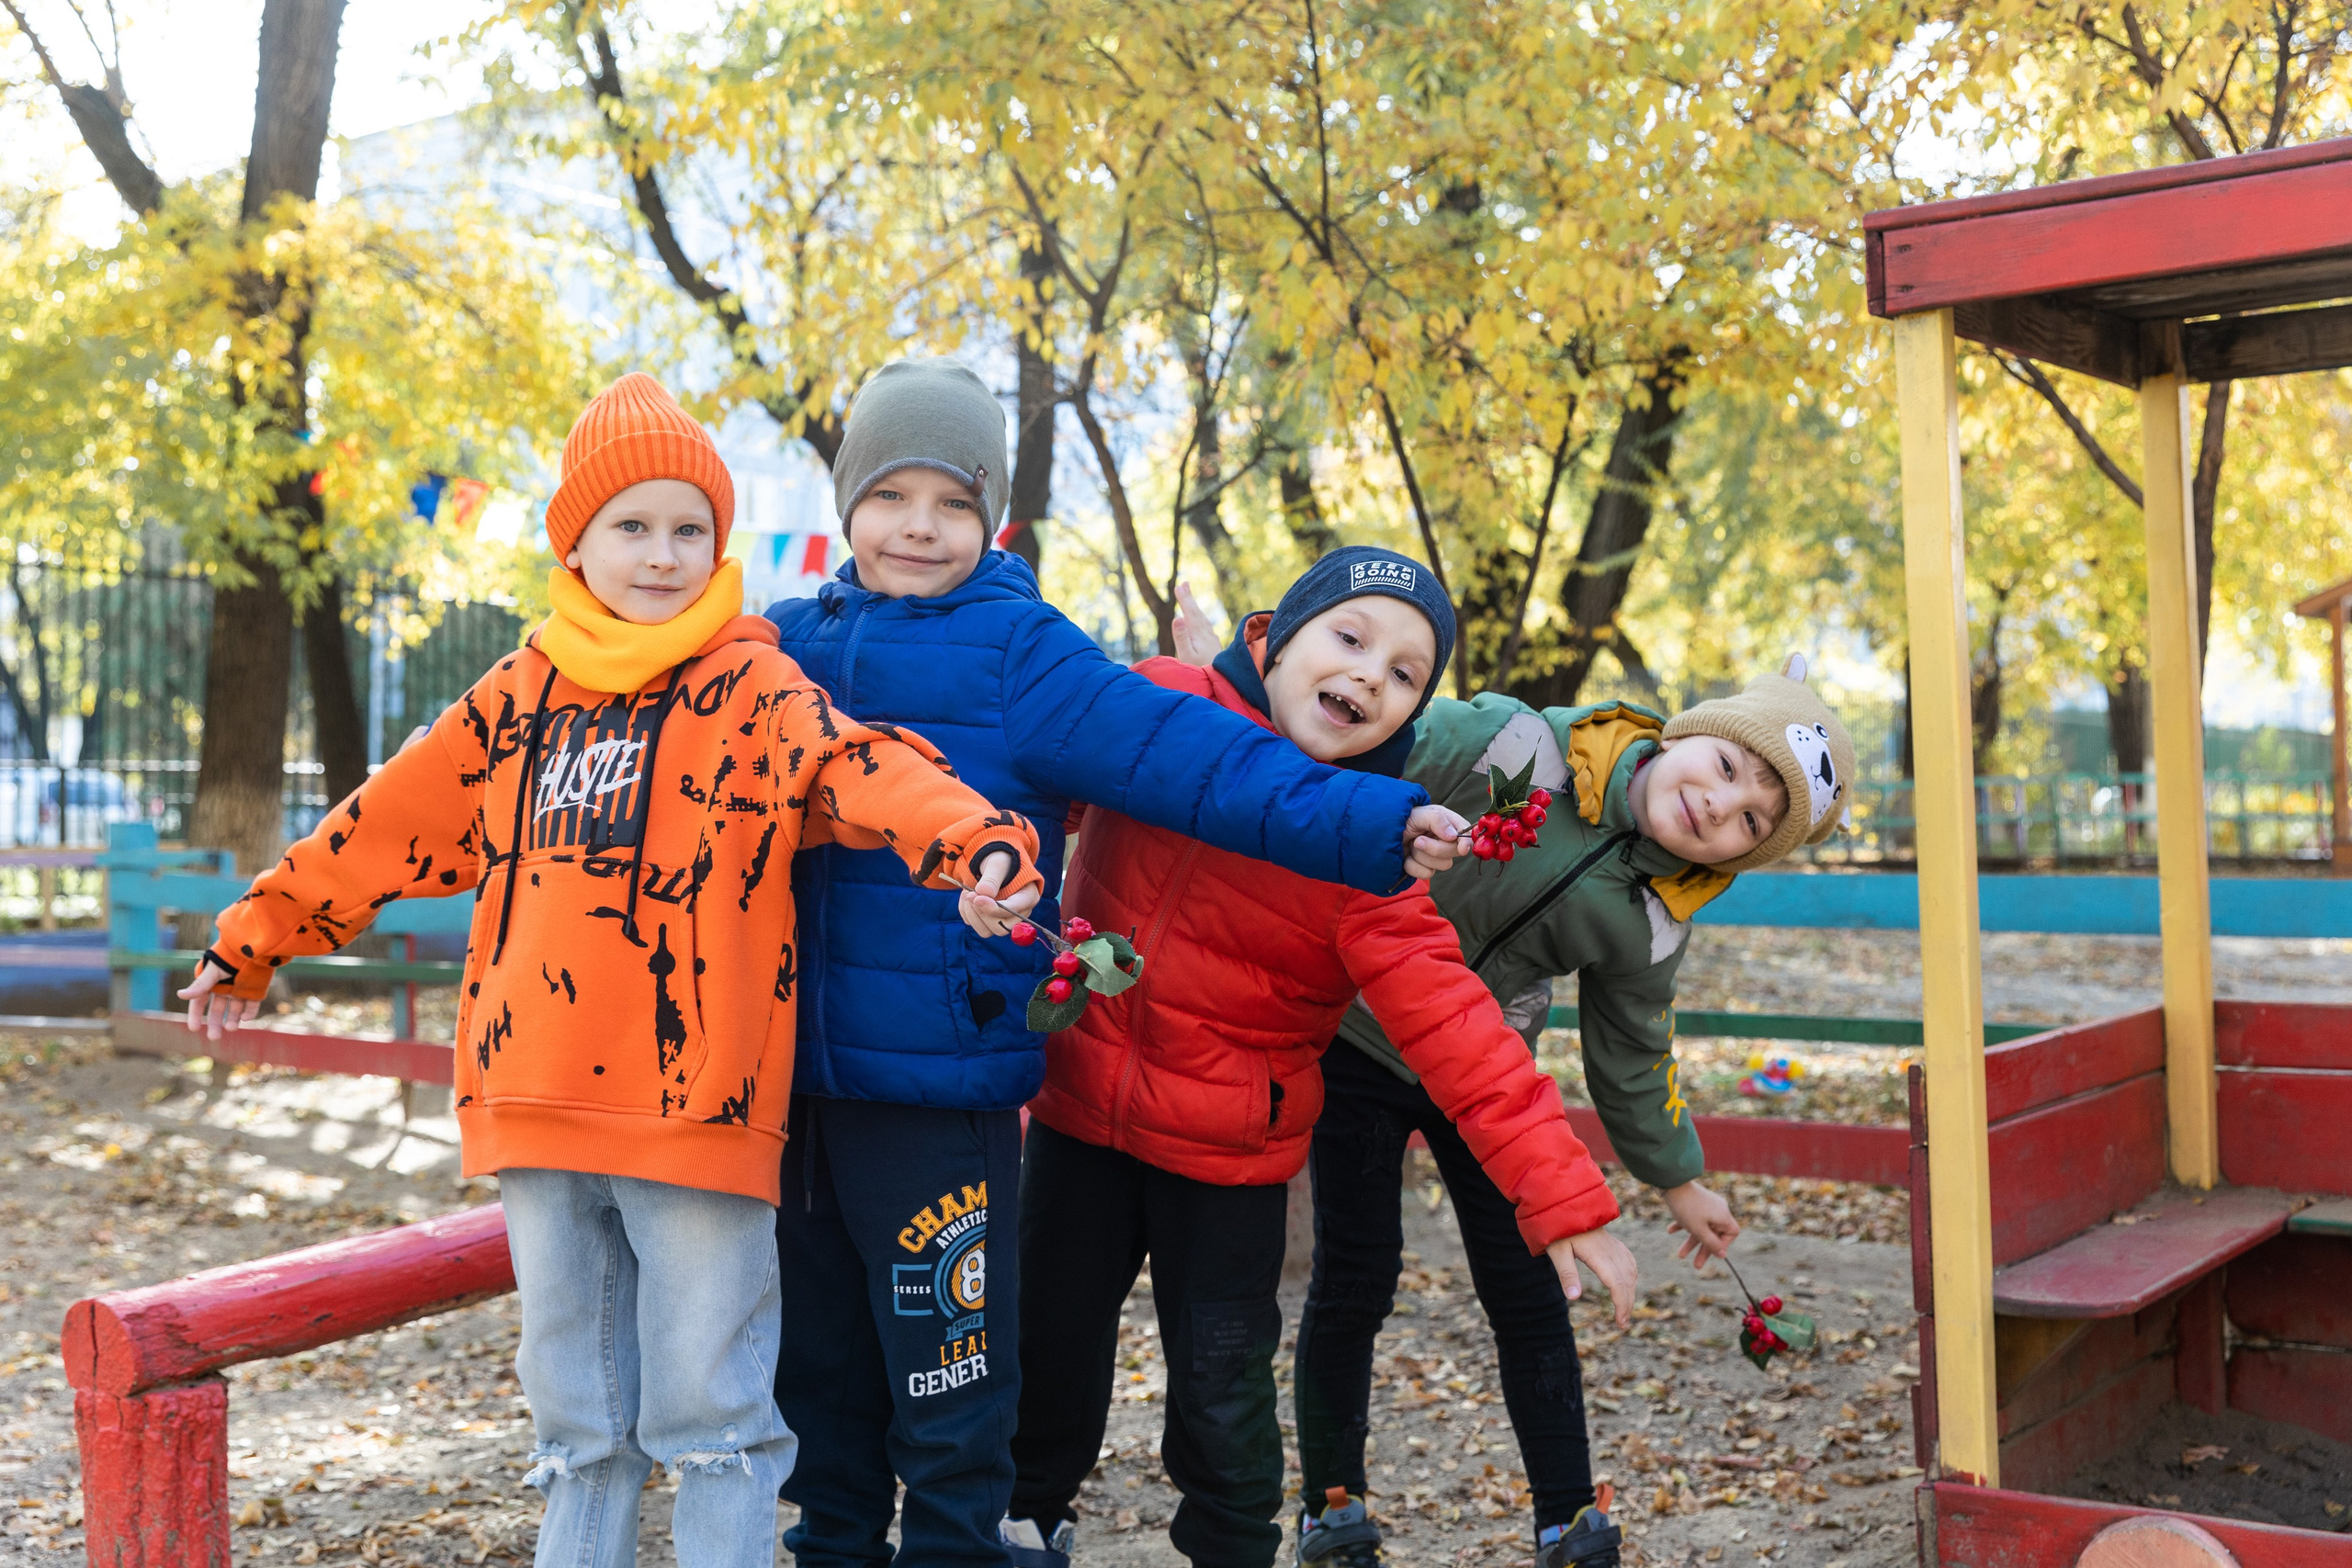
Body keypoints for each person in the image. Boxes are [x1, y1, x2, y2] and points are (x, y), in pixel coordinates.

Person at [178, 372, 1046, 1568]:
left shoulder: (755, 687)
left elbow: (869, 770)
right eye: (632, 524)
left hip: (697, 1106)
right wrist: (253, 934)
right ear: (575, 541)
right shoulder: (518, 698)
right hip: (533, 1102)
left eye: (690, 527)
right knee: (580, 1428)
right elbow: (382, 823)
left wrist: (978, 841)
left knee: (715, 1419)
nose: (663, 552)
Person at [761, 361, 1468, 1568]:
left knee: (951, 1372)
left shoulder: (1024, 651)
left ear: (992, 517)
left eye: (951, 499)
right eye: (891, 495)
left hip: (941, 1089)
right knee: (820, 1367)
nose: (919, 525)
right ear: (847, 504)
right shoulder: (781, 646)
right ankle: (832, 1542)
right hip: (794, 1087)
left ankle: (955, 1546)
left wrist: (1365, 823)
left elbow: (1199, 754)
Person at [1001, 547, 1639, 1568]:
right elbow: (1030, 780)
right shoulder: (1162, 704)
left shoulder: (1368, 850)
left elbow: (1456, 1023)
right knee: (1045, 1355)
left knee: (1221, 1396)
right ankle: (1024, 1523)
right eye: (1349, 638)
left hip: (1226, 1162)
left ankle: (1231, 1546)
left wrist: (1562, 1195)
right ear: (1280, 633)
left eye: (1402, 674)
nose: (1367, 677)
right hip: (1078, 1120)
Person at [1280, 643, 1858, 1568]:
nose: (1719, 804)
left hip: (1482, 1072)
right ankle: (1331, 1505)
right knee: (1357, 1273)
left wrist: (1679, 1179)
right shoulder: (1510, 744)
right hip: (1358, 1034)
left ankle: (1565, 1519)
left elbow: (1630, 1051)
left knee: (1533, 1281)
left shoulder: (1653, 913)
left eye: (1752, 818)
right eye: (1725, 768)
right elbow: (1362, 756)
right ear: (1685, 736)